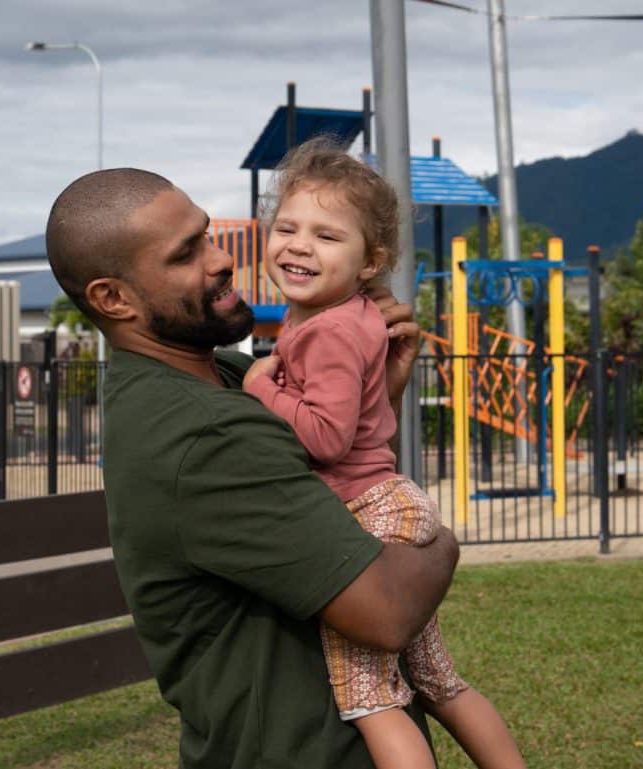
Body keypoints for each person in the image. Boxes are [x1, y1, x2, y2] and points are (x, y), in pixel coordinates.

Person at [45, 166, 459, 769]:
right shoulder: (203, 431)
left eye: (207, 236)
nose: (221, 260)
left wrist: (379, 392)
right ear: (114, 299)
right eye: (186, 253)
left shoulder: (232, 379)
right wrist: (442, 542)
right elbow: (388, 610)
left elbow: (336, 471)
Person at [241, 140, 526, 769]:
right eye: (287, 228)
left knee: (370, 700)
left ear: (370, 261)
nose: (299, 246)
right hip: (391, 501)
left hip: (370, 515)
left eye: (326, 236)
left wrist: (262, 388)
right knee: (438, 682)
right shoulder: (342, 314)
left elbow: (326, 437)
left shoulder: (327, 330)